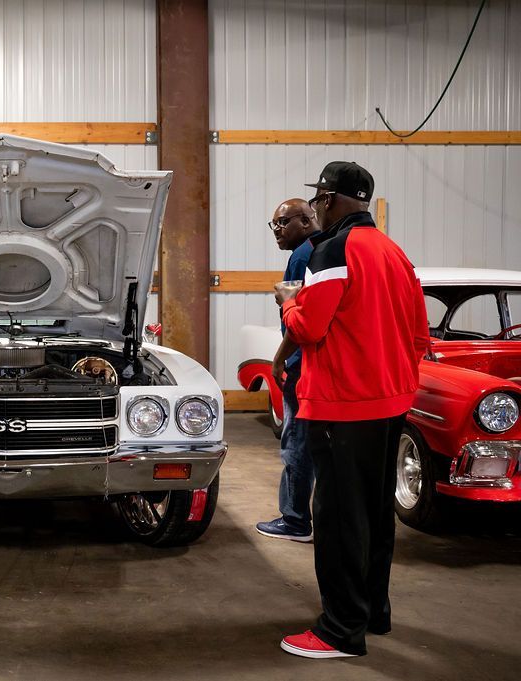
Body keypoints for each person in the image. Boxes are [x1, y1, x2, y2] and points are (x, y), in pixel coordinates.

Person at [275, 162, 429, 658]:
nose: (317, 207)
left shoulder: (331, 250)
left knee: (340, 518)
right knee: (375, 514)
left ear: (329, 198)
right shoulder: (394, 252)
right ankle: (372, 612)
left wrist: (287, 301)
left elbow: (307, 329)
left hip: (342, 406)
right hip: (390, 404)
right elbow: (420, 336)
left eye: (319, 199)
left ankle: (339, 630)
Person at [255, 199, 320, 543]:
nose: (277, 231)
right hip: (320, 367)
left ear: (307, 220)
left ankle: (295, 520)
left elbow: (299, 320)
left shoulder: (301, 255)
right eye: (274, 225)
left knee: (295, 441)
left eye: (282, 223)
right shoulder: (325, 250)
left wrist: (280, 359)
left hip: (300, 366)